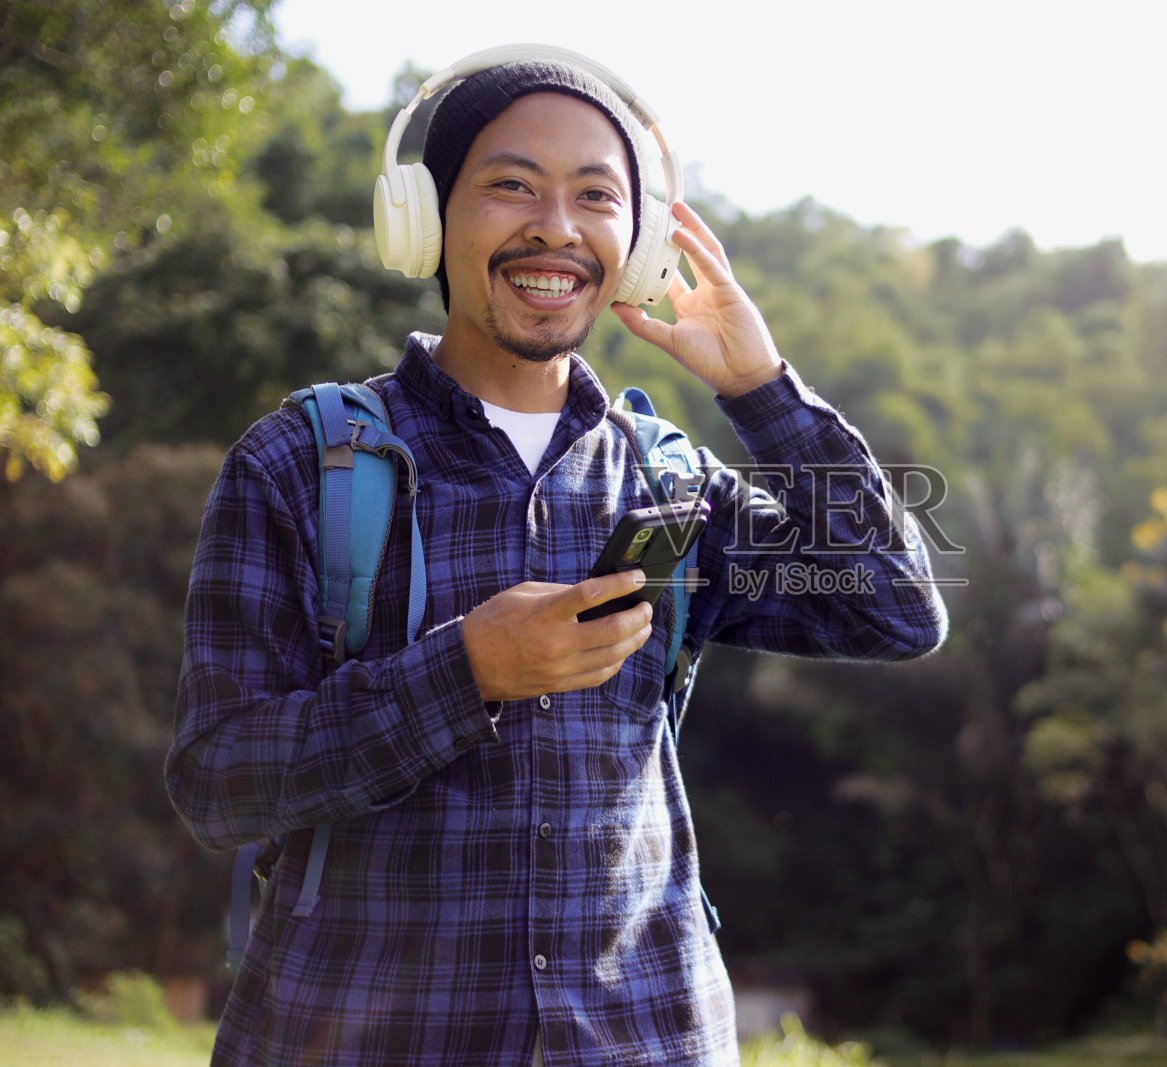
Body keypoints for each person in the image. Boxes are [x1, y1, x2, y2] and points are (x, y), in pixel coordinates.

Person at [165, 46, 946, 1066]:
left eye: (595, 195)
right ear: (424, 217)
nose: (557, 226)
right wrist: (463, 672)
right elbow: (218, 779)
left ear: (638, 239)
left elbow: (895, 610)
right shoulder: (300, 465)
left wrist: (760, 386)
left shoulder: (671, 484)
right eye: (510, 185)